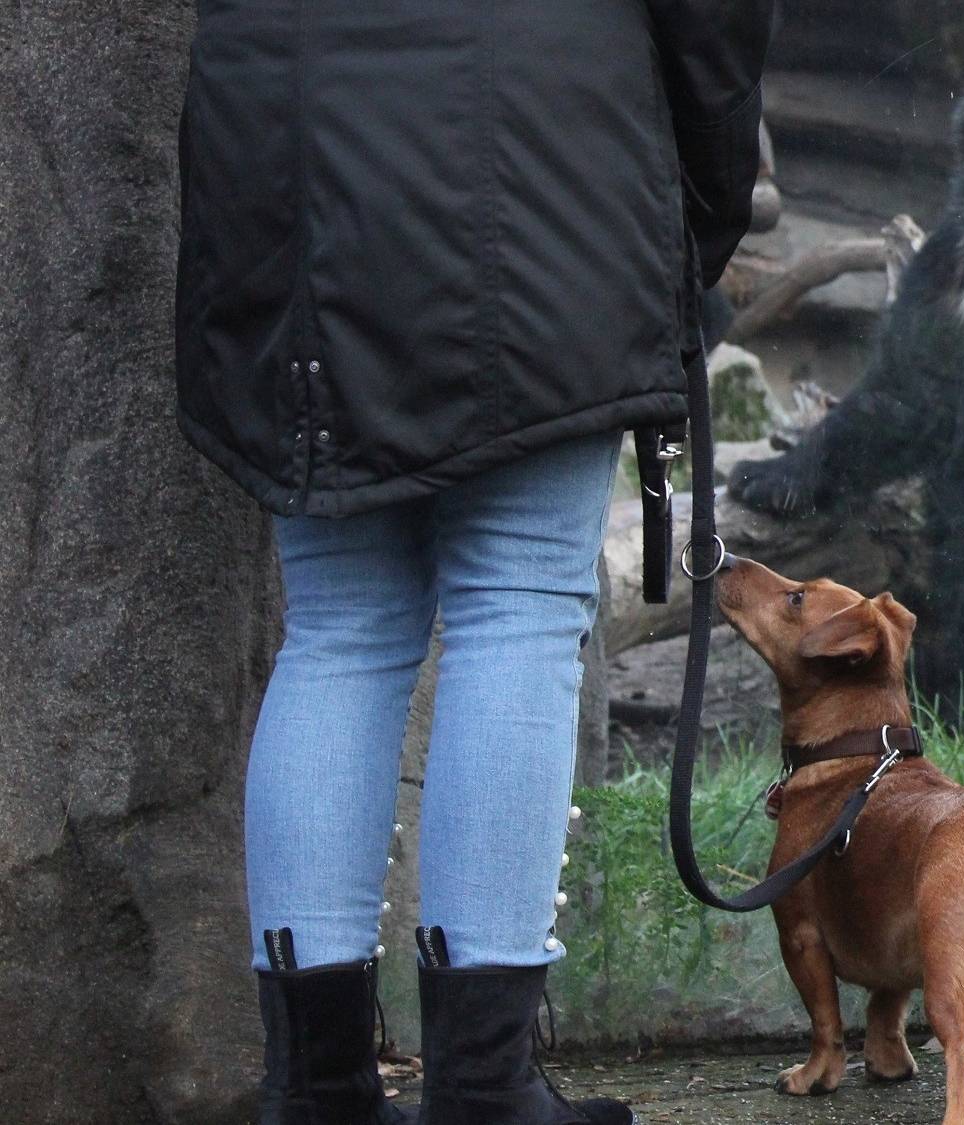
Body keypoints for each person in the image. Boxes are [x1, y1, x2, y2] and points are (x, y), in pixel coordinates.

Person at [176, 1, 775, 1121]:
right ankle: (485, 1093)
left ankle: (315, 1095)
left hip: (280, 130)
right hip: (539, 131)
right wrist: (696, 201)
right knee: (517, 601)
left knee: (340, 622)